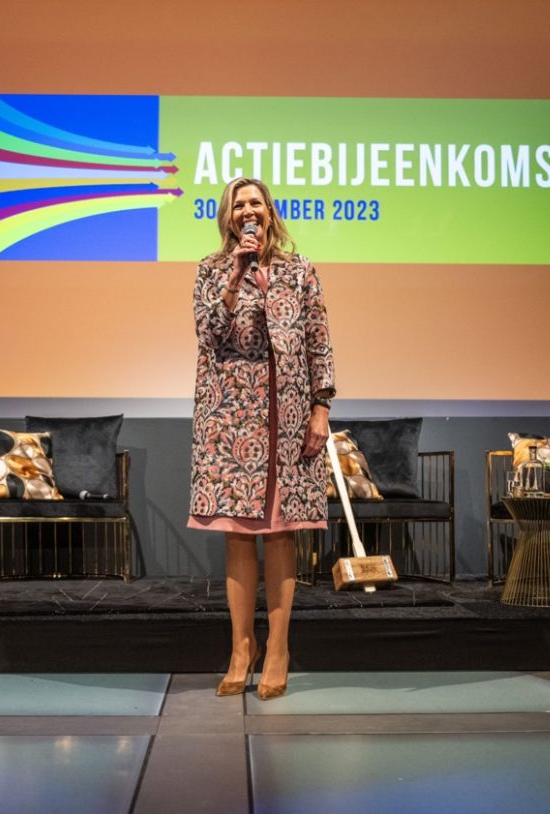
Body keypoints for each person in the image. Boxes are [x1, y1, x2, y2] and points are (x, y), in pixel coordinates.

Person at [188, 177, 336, 699]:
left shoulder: (299, 271)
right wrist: (235, 275)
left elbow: (319, 341)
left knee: (280, 532)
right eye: (238, 205)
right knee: (238, 532)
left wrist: (321, 407)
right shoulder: (211, 270)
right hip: (231, 417)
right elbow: (209, 334)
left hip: (289, 414)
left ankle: (277, 649)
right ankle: (240, 647)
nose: (248, 211)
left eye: (256, 203)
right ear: (228, 218)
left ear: (269, 213)